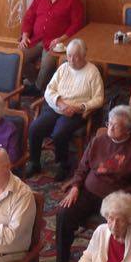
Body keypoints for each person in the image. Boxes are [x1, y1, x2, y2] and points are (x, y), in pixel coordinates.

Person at [54, 106, 131, 262]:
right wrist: (75, 186)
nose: (110, 128)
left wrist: (119, 198)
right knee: (64, 212)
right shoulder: (99, 140)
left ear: (128, 130)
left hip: (117, 200)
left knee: (111, 229)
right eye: (109, 123)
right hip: (89, 192)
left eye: (115, 126)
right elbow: (83, 167)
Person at [26, 38, 105, 181]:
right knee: (34, 128)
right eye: (69, 55)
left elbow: (99, 99)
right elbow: (49, 90)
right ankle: (34, 162)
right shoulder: (63, 68)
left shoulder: (92, 72)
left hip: (75, 112)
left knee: (59, 133)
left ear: (83, 56)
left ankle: (63, 164)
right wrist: (60, 103)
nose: (71, 60)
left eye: (75, 56)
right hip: (56, 106)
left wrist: (80, 107)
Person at [18, 0, 84, 94]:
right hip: (35, 39)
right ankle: (37, 83)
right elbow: (28, 18)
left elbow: (76, 25)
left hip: (56, 44)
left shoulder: (73, 1)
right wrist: (25, 36)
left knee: (47, 65)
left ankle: (37, 89)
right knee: (17, 57)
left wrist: (61, 39)